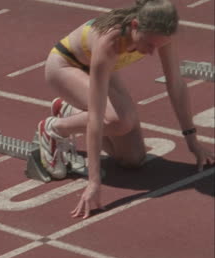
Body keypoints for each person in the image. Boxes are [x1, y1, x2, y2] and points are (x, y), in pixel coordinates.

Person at [37, 0, 214, 219]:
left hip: (103, 71)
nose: (151, 52)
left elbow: (176, 85)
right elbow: (97, 117)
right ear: (135, 25)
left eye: (157, 46)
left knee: (133, 159)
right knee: (118, 120)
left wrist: (192, 141)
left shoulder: (162, 33)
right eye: (149, 44)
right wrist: (94, 182)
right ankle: (55, 129)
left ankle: (70, 111)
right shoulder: (109, 43)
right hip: (66, 66)